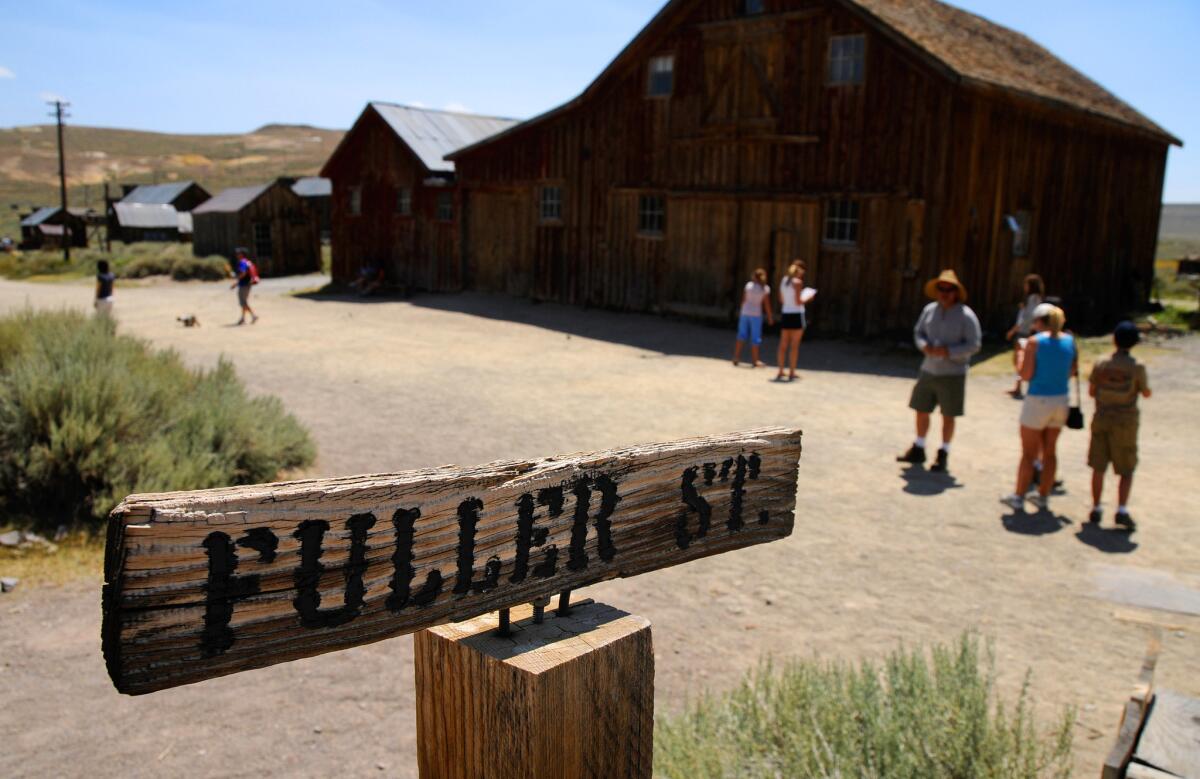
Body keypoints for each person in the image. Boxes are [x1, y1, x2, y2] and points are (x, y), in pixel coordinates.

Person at [897, 269, 981, 472]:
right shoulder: (930, 310)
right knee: (921, 409)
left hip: (953, 373)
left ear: (956, 292)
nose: (944, 293)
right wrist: (923, 345)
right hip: (928, 369)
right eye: (941, 289)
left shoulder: (966, 316)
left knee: (948, 415)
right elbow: (919, 332)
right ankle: (919, 446)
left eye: (949, 289)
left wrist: (949, 351)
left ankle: (943, 452)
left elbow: (974, 345)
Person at [999, 304, 1076, 512]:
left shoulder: (1034, 342)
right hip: (1060, 400)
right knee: (1050, 451)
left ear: (1041, 322)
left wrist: (1022, 355)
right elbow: (1072, 371)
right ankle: (1043, 496)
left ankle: (1019, 496)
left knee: (1029, 453)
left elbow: (1025, 375)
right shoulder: (1070, 341)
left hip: (1038, 400)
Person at [1087, 321, 1151, 530]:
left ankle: (1096, 507)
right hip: (1126, 421)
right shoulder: (1137, 366)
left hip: (1102, 417)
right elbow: (1145, 392)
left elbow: (1091, 391)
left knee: (1098, 465)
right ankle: (1121, 509)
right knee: (1126, 468)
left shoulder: (1101, 363)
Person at [1005, 273, 1044, 398]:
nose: (1024, 286)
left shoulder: (1033, 299)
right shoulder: (1035, 299)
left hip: (1025, 333)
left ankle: (1019, 387)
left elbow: (1028, 318)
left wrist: (1013, 330)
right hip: (1027, 332)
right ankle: (1018, 386)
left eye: (1026, 284)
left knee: (1020, 360)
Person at [776, 260, 814, 381]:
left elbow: (781, 300)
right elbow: (798, 302)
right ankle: (792, 372)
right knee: (794, 346)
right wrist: (808, 297)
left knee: (783, 344)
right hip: (796, 315)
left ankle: (781, 370)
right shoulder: (797, 282)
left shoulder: (784, 281)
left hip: (786, 313)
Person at [733, 268, 773, 367]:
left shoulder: (749, 286)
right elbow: (766, 304)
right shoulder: (765, 289)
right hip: (756, 315)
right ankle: (755, 360)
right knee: (755, 338)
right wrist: (769, 317)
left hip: (745, 313)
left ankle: (736, 357)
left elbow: (744, 300)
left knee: (741, 335)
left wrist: (741, 311)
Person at [230, 248, 258, 325]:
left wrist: (236, 282)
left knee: (243, 302)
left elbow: (243, 273)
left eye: (238, 253)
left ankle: (253, 316)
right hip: (247, 284)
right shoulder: (246, 262)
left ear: (242, 254)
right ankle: (243, 318)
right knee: (243, 302)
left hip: (244, 285)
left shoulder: (242, 262)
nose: (237, 255)